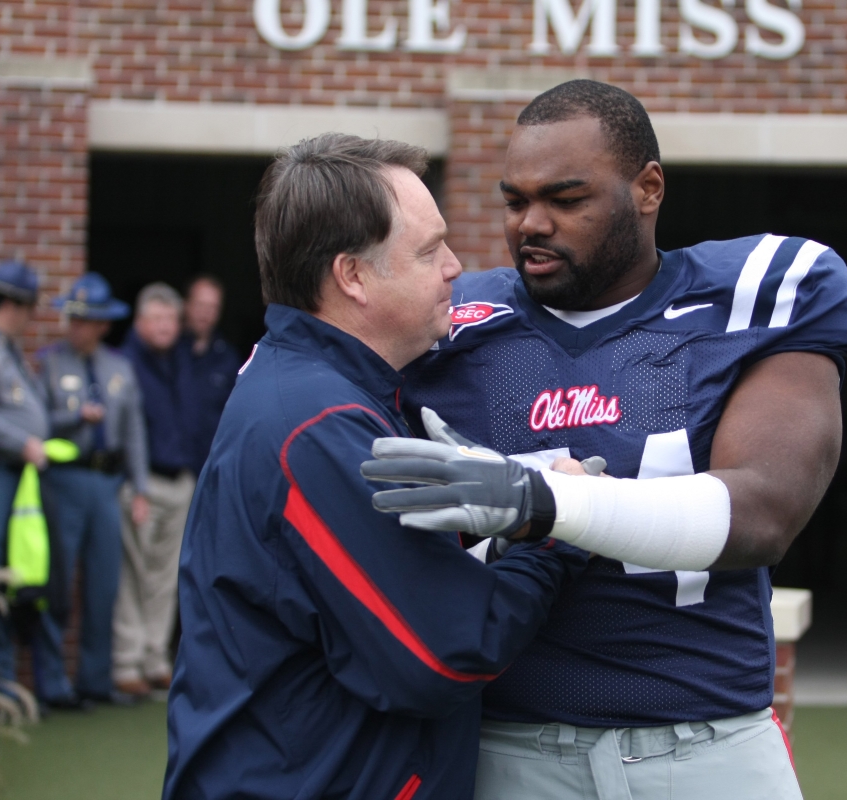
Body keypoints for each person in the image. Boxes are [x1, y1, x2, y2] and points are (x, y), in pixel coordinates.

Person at [370, 81, 847, 800]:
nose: (531, 225)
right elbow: (289, 395)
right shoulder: (453, 321)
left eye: (566, 200)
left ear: (647, 188)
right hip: (507, 747)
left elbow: (761, 515)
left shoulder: (757, 296)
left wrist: (541, 500)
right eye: (515, 202)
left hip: (706, 744)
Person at [162, 134, 588, 800]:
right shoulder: (316, 423)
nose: (455, 266)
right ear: (351, 277)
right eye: (428, 250)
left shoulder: (313, 391)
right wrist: (554, 522)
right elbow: (441, 655)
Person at [36, 273, 150, 708]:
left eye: (87, 320)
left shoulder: (119, 367)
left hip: (108, 483)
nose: (78, 326)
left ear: (103, 325)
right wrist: (75, 419)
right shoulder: (49, 363)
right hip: (63, 481)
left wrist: (139, 488)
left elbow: (135, 432)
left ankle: (94, 681)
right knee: (59, 582)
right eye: (75, 318)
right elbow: (39, 423)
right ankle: (52, 685)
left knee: (104, 584)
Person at [115, 283, 195, 698]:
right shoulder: (124, 363)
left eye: (171, 319)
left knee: (165, 578)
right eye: (157, 319)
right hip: (142, 486)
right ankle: (126, 663)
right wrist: (137, 484)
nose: (166, 327)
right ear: (140, 322)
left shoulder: (181, 361)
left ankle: (154, 659)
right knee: (135, 575)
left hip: (180, 482)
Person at [0, 260, 55, 696]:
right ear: (12, 304)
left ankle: (0, 682)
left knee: (7, 576)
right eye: (28, 309)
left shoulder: (4, 347)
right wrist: (23, 443)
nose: (29, 319)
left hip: (13, 479)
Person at [181, 275, 239, 472]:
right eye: (200, 305)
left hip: (211, 467)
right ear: (186, 305)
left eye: (212, 307)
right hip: (173, 471)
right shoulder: (167, 353)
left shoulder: (228, 359)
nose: (205, 314)